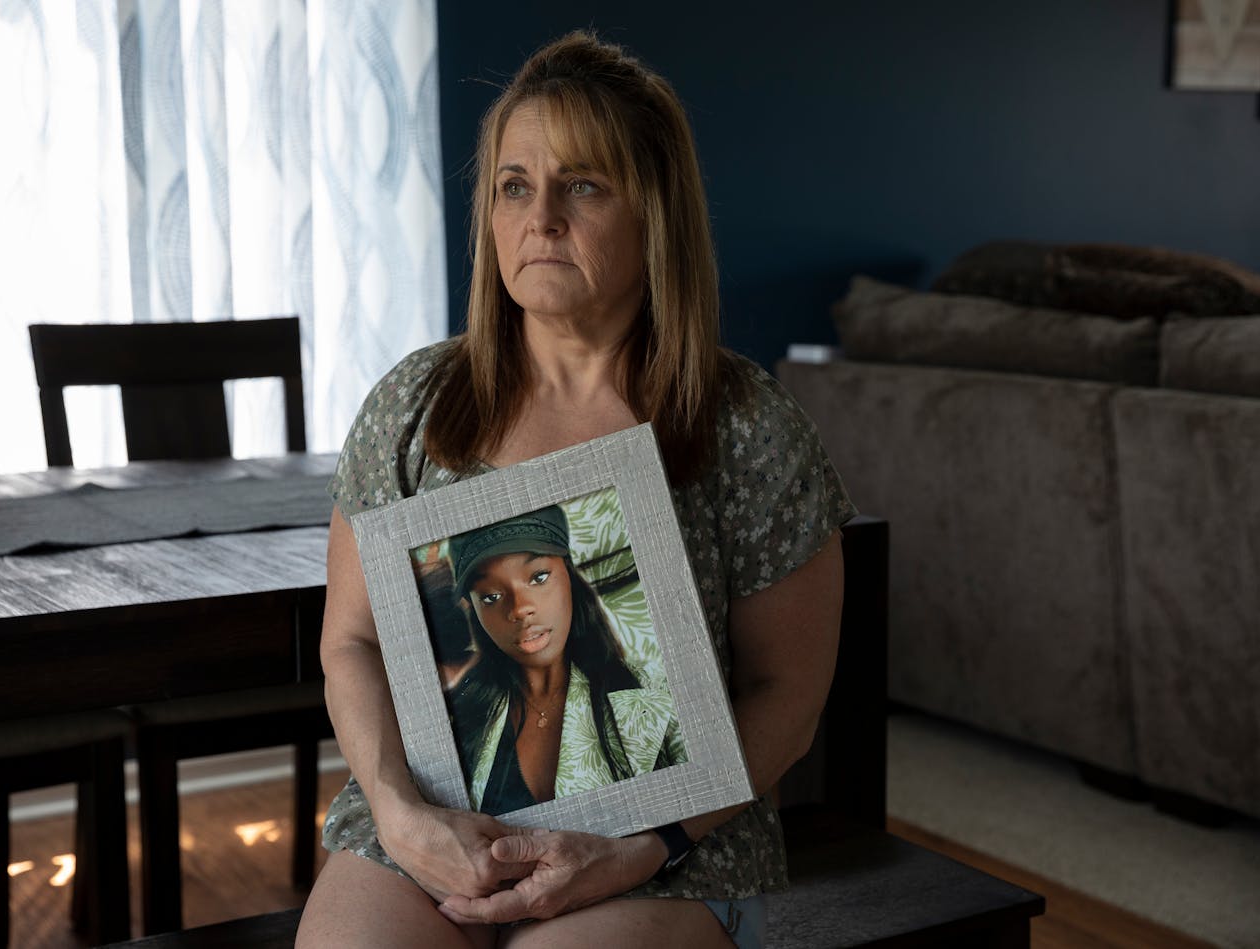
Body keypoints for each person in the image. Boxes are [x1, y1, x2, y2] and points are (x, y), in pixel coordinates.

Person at [297, 29, 853, 949]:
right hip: (429, 830)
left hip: (672, 851)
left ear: (656, 214)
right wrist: (398, 811)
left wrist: (645, 843)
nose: (540, 216)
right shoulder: (412, 404)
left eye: (583, 185)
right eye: (515, 185)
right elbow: (351, 641)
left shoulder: (746, 424)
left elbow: (787, 691)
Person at [442, 504, 686, 816]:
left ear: (569, 576)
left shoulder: (656, 689)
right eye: (491, 596)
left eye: (539, 576)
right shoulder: (458, 721)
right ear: (474, 610)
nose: (519, 609)